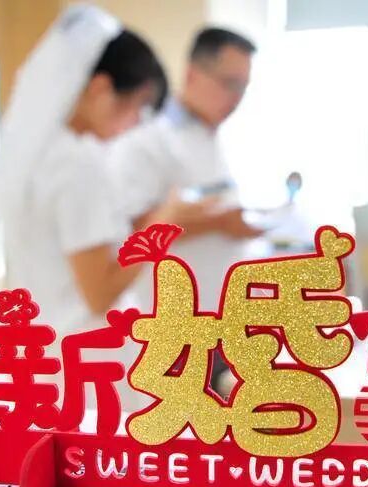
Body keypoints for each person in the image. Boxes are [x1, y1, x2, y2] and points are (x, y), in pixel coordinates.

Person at [0, 6, 219, 409]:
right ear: (101, 88)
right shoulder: (79, 165)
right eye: (138, 106)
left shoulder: (38, 157)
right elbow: (100, 292)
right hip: (89, 362)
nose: (135, 123)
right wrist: (162, 221)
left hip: (47, 355)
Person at [112, 27, 262, 312]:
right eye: (230, 84)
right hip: (167, 317)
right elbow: (133, 232)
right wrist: (220, 223)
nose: (237, 98)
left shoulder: (212, 135)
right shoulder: (146, 137)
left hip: (218, 312)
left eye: (244, 87)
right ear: (192, 75)